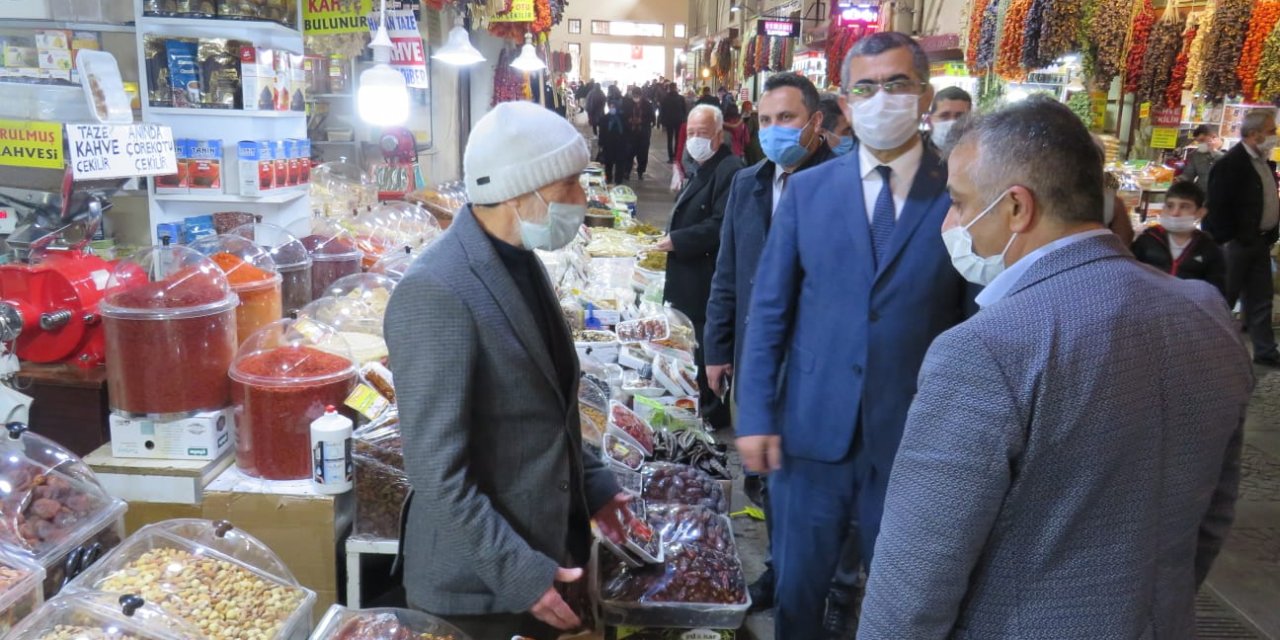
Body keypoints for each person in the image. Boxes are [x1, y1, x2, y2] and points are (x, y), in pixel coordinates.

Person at [858, 96, 1253, 638]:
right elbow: (1212, 515)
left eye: (958, 200)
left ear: (1017, 207)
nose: (950, 221)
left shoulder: (986, 349)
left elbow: (917, 573)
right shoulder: (1204, 313)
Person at [735, 33, 972, 640]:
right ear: (844, 99)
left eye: (896, 84)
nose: (880, 98)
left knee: (907, 597)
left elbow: (975, 322)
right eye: (865, 87)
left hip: (912, 437)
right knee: (797, 588)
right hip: (810, 432)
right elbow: (769, 310)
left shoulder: (959, 195)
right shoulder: (811, 192)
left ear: (922, 95)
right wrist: (756, 413)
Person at [384, 101, 634, 640]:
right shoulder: (437, 291)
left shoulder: (518, 260)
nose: (582, 200)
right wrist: (521, 575)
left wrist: (596, 484)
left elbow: (546, 412)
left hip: (541, 548)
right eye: (571, 184)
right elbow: (437, 475)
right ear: (526, 190)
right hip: (477, 591)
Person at [704, 70, 835, 615]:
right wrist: (716, 345)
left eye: (787, 119)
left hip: (818, 367)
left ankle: (826, 588)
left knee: (814, 484)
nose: (774, 130)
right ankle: (781, 571)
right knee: (765, 475)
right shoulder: (748, 183)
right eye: (765, 120)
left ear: (816, 123)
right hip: (758, 359)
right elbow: (728, 270)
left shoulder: (844, 185)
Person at [655, 104, 744, 429]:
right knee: (693, 346)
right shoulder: (700, 165)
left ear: (719, 136)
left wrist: (677, 240)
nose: (694, 139)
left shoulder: (730, 169)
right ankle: (703, 405)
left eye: (702, 134)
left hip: (707, 279)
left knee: (708, 348)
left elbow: (722, 224)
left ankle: (713, 412)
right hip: (689, 276)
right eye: (690, 133)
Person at [1203, 109, 1280, 366]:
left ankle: (1265, 351)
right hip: (1236, 243)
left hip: (1259, 241)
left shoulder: (1263, 161)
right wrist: (1229, 238)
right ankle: (1210, 353)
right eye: (1271, 131)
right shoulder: (1231, 164)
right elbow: (1217, 205)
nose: (1275, 136)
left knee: (1261, 298)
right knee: (1225, 298)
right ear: (1254, 134)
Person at [1132, 181, 1227, 298]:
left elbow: (1216, 294)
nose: (1175, 213)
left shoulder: (1209, 249)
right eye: (1170, 206)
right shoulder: (1146, 241)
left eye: (1184, 206)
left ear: (1200, 213)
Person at [1180, 124, 1225, 195]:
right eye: (1198, 142)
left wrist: (1213, 151)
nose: (1200, 144)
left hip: (1221, 196)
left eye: (1202, 140)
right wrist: (1180, 180)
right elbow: (1189, 174)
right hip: (1201, 195)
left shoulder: (1229, 153)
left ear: (1213, 137)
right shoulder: (1196, 155)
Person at [924, 85, 972, 152]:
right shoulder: (916, 150)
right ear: (929, 121)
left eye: (960, 117)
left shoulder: (980, 152)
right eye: (944, 116)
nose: (952, 123)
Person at [598, 96, 631, 185]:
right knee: (608, 163)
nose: (612, 108)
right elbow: (602, 132)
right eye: (610, 106)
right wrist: (601, 144)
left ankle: (618, 181)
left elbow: (628, 132)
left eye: (614, 107)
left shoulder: (623, 118)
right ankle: (608, 179)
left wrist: (628, 143)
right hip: (609, 145)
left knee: (620, 164)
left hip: (621, 145)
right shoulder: (605, 118)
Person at [626, 87, 656, 180]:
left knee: (642, 153)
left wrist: (641, 121)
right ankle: (627, 171)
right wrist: (629, 120)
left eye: (637, 96)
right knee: (629, 153)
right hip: (631, 133)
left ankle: (640, 172)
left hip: (643, 133)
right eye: (634, 96)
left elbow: (652, 117)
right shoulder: (629, 103)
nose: (635, 98)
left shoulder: (647, 104)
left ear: (641, 95)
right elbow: (624, 114)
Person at [660, 82, 689, 162]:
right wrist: (684, 119)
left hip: (669, 121)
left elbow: (662, 111)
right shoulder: (681, 98)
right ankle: (676, 156)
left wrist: (662, 122)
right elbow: (684, 110)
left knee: (669, 139)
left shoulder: (665, 98)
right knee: (678, 139)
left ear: (669, 88)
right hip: (679, 121)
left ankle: (670, 157)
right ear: (676, 88)